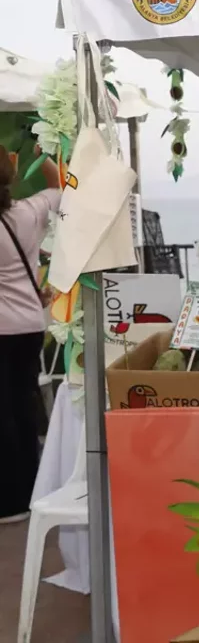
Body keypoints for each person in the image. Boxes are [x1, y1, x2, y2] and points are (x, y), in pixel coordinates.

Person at [0, 149, 59, 524]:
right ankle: (27, 495)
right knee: (22, 407)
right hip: (28, 326)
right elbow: (60, 188)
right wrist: (45, 155)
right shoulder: (28, 213)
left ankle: (7, 501)